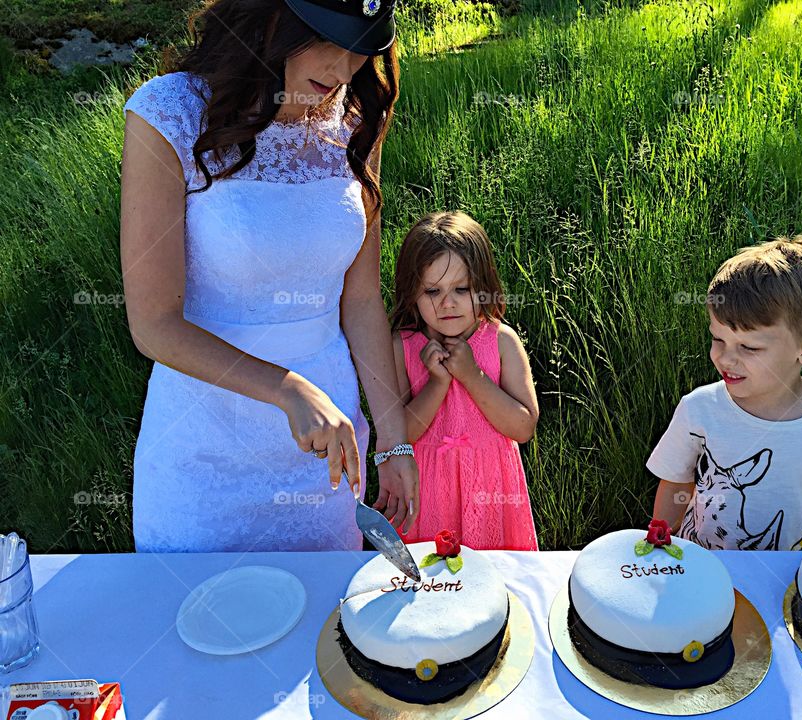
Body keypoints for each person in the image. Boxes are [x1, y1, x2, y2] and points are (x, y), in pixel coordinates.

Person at [119, 0, 418, 552]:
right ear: (273, 17)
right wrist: (289, 390)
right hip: (204, 451)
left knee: (325, 632)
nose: (345, 70)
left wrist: (395, 445)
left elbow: (362, 302)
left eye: (363, 50)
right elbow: (153, 324)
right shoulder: (170, 115)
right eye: (331, 39)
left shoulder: (353, 122)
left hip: (327, 454)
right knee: (200, 631)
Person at [648, 234, 802, 551]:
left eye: (750, 347)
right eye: (718, 339)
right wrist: (662, 546)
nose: (725, 358)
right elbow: (675, 482)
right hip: (701, 571)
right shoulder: (700, 408)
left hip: (787, 580)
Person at [388, 211, 540, 550]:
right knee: (430, 585)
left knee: (495, 584)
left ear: (484, 287)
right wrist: (437, 384)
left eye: (461, 288)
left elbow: (523, 427)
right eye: (432, 291)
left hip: (492, 490)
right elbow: (400, 434)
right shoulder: (404, 347)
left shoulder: (500, 341)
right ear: (412, 293)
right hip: (427, 489)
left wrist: (472, 377)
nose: (447, 303)